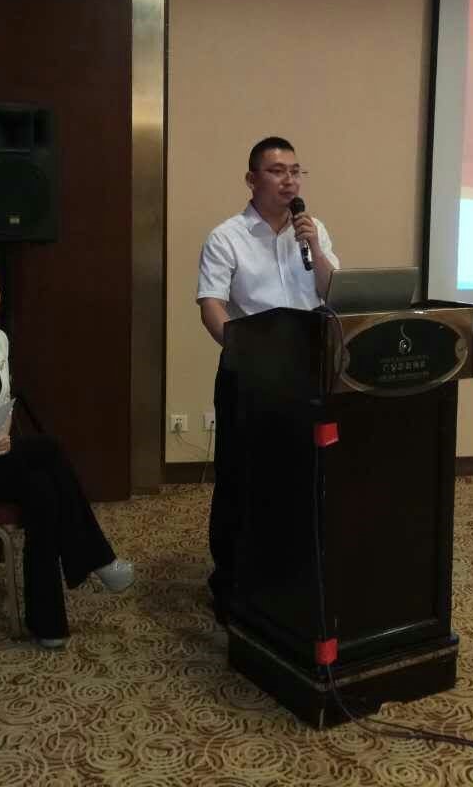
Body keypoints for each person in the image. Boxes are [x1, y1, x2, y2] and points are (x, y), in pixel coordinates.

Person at [0, 253, 135, 649]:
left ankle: (48, 623)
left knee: (43, 492)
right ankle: (95, 558)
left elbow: (2, 406)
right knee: (48, 450)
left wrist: (0, 436)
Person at [196, 136, 339, 624]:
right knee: (240, 479)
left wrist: (315, 246)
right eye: (277, 171)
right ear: (252, 179)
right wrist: (242, 352)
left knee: (300, 476)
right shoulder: (227, 237)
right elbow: (211, 304)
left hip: (308, 371)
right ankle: (230, 584)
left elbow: (332, 293)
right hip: (251, 374)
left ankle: (288, 577)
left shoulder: (312, 229)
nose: (289, 180)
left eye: (295, 171)